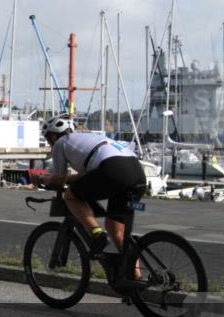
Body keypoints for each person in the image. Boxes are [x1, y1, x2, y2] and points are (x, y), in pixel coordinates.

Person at [40, 114, 147, 281]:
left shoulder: (61, 143)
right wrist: (68, 179)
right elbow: (87, 177)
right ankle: (136, 281)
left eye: (48, 140)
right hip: (136, 173)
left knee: (71, 196)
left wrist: (44, 179)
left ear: (53, 136)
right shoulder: (89, 138)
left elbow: (59, 181)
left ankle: (97, 234)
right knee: (116, 230)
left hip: (113, 170)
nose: (49, 144)